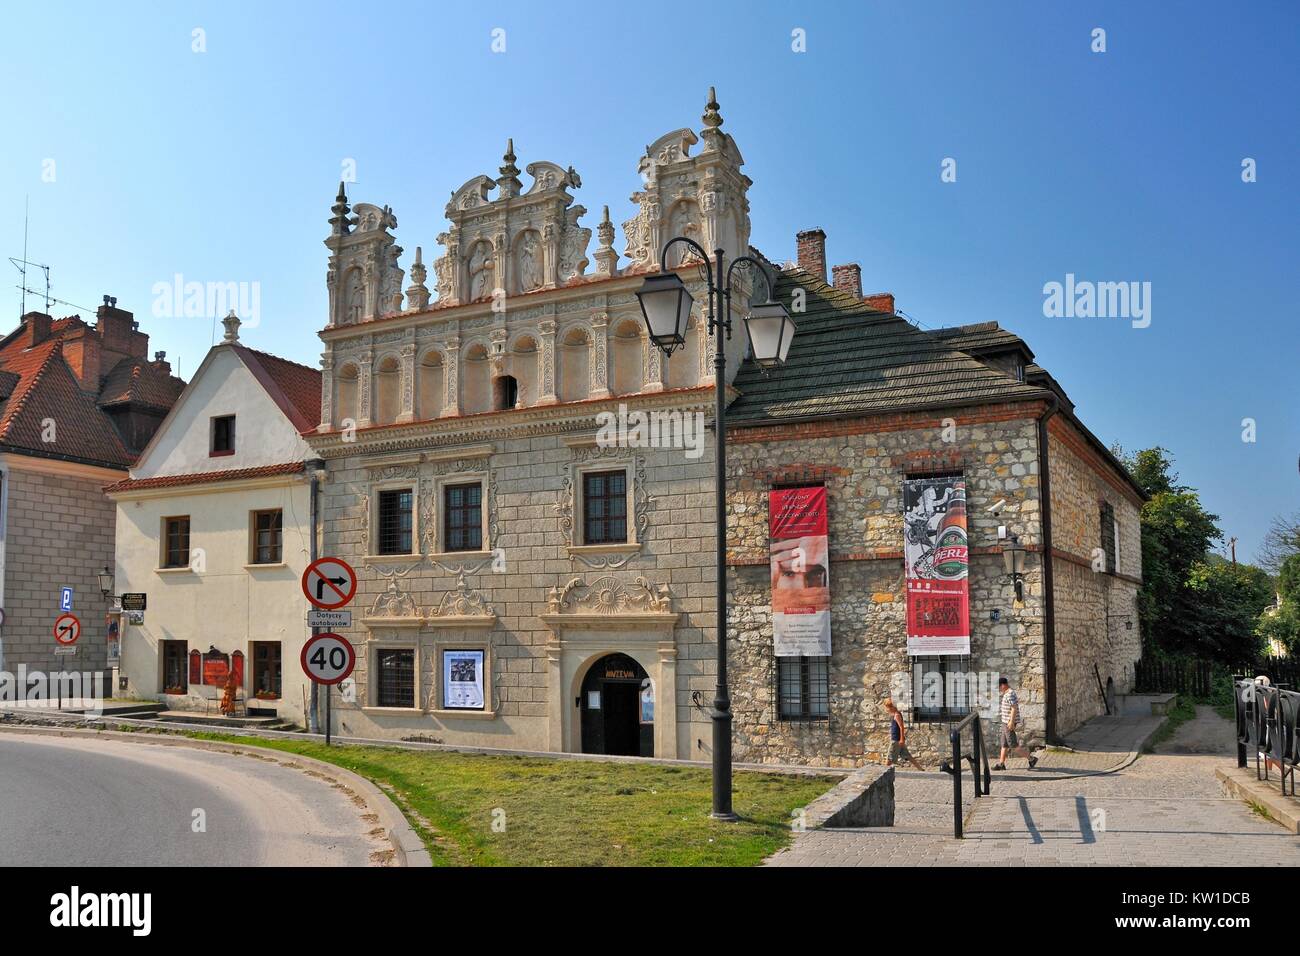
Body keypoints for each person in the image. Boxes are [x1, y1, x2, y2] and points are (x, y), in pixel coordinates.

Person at [993, 677, 1037, 770]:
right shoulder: (1007, 693)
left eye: (1000, 687)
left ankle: (1031, 759)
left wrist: (1011, 722)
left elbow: (1014, 708)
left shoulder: (1010, 694)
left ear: (1003, 685)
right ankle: (1001, 764)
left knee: (1013, 745)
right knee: (1004, 744)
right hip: (1006, 723)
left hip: (1009, 723)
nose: (1000, 689)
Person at [883, 698, 926, 772]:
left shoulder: (897, 715)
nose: (887, 710)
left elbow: (901, 727)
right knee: (908, 756)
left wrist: (902, 739)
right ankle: (920, 769)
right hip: (898, 739)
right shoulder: (895, 714)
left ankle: (882, 773)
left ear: (891, 707)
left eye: (888, 708)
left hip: (896, 740)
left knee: (889, 758)